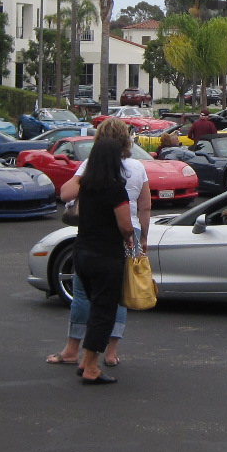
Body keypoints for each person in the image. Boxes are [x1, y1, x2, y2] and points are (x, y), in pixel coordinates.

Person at [50, 119, 148, 370]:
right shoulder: (138, 167)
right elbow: (145, 206)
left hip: (94, 232)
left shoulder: (90, 166)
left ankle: (73, 348)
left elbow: (66, 193)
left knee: (83, 293)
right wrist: (143, 237)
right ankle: (111, 351)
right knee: (119, 294)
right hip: (128, 230)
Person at [67, 133, 136, 385]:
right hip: (106, 255)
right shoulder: (115, 188)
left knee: (95, 306)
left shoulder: (85, 186)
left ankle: (85, 360)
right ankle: (91, 367)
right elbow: (125, 225)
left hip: (82, 252)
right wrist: (129, 238)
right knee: (104, 311)